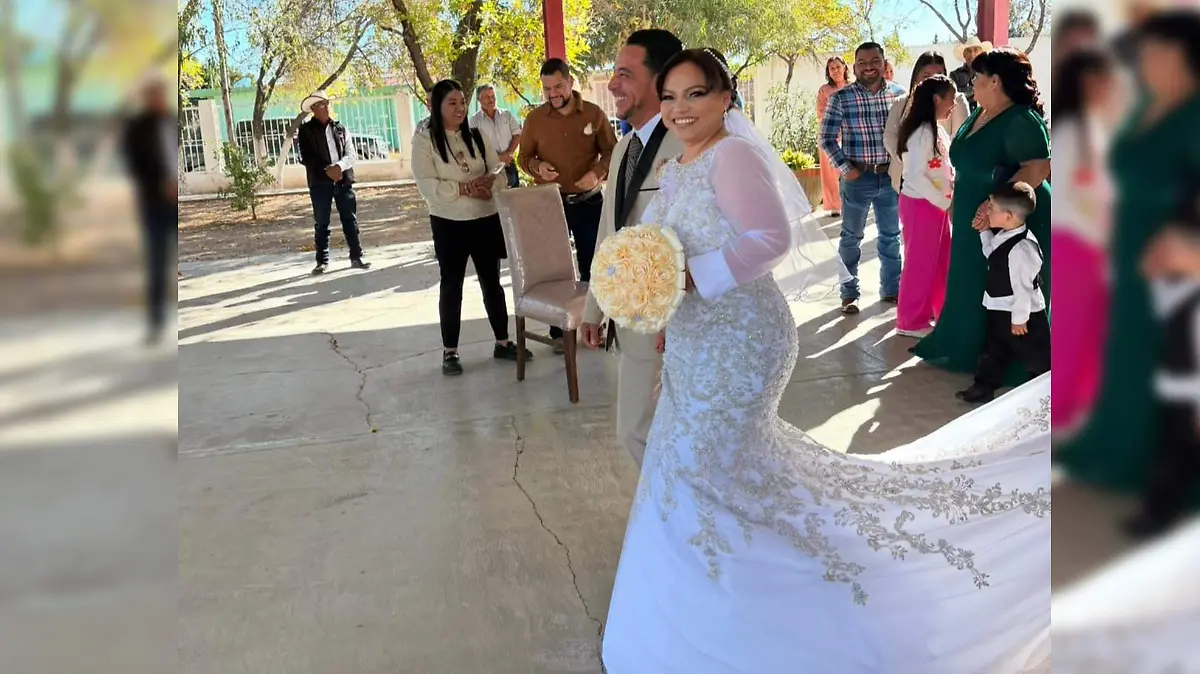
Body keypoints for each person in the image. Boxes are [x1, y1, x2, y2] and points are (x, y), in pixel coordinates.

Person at [600, 48, 1050, 674]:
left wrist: (685, 276)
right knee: (694, 471)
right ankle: (708, 607)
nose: (680, 109)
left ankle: (764, 614)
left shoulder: (731, 156)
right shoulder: (680, 167)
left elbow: (771, 240)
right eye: (670, 96)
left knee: (706, 468)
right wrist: (655, 303)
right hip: (696, 343)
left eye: (695, 95)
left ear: (726, 97)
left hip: (741, 345)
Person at [1057, 11, 1200, 522]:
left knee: (1174, 375)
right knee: (1130, 357)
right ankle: (1121, 452)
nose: (1146, 64)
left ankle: (1166, 478)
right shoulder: (1144, 107)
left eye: (1159, 54)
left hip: (1178, 265)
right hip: (1131, 257)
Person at [912, 48, 1051, 378]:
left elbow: (1038, 167)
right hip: (972, 213)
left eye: (977, 77)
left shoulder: (1019, 118)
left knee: (1006, 285)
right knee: (970, 278)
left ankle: (1009, 359)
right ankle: (969, 347)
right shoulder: (980, 113)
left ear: (995, 80)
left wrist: (993, 206)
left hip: (1009, 218)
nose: (971, 82)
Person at [580, 29, 684, 467]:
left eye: (625, 73)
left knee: (643, 429)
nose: (613, 84)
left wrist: (672, 310)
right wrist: (593, 307)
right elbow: (611, 231)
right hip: (634, 310)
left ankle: (673, 523)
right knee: (639, 429)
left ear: (660, 79)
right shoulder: (624, 146)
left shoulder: (689, 142)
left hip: (674, 314)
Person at [411, 80, 531, 376]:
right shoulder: (425, 140)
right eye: (452, 103)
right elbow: (427, 185)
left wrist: (490, 184)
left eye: (462, 102)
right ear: (437, 107)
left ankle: (502, 342)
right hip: (448, 223)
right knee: (452, 286)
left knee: (492, 282)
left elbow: (497, 170)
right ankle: (450, 351)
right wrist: (464, 189)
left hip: (484, 219)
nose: (460, 108)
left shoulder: (477, 136)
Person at [518, 58, 618, 352]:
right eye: (547, 88)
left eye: (558, 86)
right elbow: (523, 159)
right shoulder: (534, 120)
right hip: (550, 205)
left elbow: (612, 152)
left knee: (594, 265)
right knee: (555, 269)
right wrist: (538, 167)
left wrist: (598, 173)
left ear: (570, 83)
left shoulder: (594, 114)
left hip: (588, 203)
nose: (553, 93)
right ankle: (559, 331)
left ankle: (593, 325)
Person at [1050, 48, 1119, 434]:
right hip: (1076, 243)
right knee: (1074, 330)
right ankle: (1064, 411)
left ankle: (1081, 408)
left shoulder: (1093, 127)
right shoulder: (1071, 132)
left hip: (1091, 244)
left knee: (1090, 329)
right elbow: (1074, 196)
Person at [1126, 197, 1200, 538]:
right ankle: (1159, 512)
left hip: (1191, 395)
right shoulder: (1175, 292)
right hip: (1174, 388)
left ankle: (1161, 514)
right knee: (1170, 455)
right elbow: (1150, 271)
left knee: (1177, 459)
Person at [819, 42, 907, 314]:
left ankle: (892, 289)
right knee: (851, 237)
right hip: (858, 179)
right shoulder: (840, 98)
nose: (869, 66)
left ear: (883, 62)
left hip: (890, 178)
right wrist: (848, 169)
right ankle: (849, 293)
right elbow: (826, 139)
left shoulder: (900, 95)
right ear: (854, 66)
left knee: (891, 237)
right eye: (862, 62)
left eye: (875, 60)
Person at [955, 182, 1050, 404]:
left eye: (991, 208)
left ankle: (1044, 394)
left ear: (1008, 215)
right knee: (993, 349)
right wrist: (984, 232)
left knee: (1038, 356)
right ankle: (984, 386)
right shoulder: (1005, 235)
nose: (987, 211)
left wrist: (1019, 320)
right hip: (999, 307)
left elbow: (1023, 289)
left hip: (1023, 315)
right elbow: (993, 254)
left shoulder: (1022, 248)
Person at [893, 75, 959, 338]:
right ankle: (910, 321)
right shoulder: (921, 132)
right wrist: (945, 201)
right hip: (922, 203)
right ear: (936, 99)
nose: (953, 105)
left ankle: (939, 312)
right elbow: (915, 176)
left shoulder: (935, 129)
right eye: (950, 99)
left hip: (935, 205)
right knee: (919, 263)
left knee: (941, 261)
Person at [121, 76, 177, 346]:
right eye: (152, 94)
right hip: (154, 204)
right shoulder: (135, 127)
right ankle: (156, 323)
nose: (158, 98)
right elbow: (134, 167)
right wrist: (161, 186)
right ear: (146, 97)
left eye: (161, 94)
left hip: (177, 201)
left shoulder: (172, 121)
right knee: (157, 262)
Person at [296, 90, 370, 275]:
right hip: (320, 184)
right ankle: (322, 261)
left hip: (343, 181)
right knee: (322, 222)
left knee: (350, 219)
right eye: (321, 105)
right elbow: (306, 157)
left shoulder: (341, 128)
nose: (326, 107)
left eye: (327, 103)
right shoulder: (305, 131)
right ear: (313, 109)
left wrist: (339, 167)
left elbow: (351, 154)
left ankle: (356, 256)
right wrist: (328, 170)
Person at [884, 51, 971, 197]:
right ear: (916, 77)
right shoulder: (902, 102)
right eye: (926, 76)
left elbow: (960, 139)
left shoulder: (956, 101)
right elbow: (890, 137)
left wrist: (935, 164)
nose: (932, 81)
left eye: (939, 75)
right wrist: (909, 161)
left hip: (943, 184)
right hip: (907, 180)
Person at [816, 56, 851, 216]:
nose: (836, 71)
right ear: (828, 72)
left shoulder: (854, 87)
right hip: (829, 135)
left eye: (838, 67)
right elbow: (821, 113)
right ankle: (834, 206)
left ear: (844, 68)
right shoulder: (824, 90)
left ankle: (852, 203)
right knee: (830, 174)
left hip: (851, 135)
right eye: (832, 68)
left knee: (849, 171)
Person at [470, 85, 522, 188]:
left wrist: (509, 154)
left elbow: (517, 134)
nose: (491, 99)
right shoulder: (474, 121)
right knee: (495, 197)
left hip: (509, 163)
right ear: (479, 100)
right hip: (490, 167)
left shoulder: (506, 115)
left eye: (493, 96)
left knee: (514, 195)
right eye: (487, 97)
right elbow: (475, 146)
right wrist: (497, 158)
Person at [950, 37, 993, 112]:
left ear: (981, 53)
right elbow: (953, 98)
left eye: (975, 50)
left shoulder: (989, 73)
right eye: (968, 51)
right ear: (964, 55)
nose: (972, 54)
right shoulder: (955, 75)